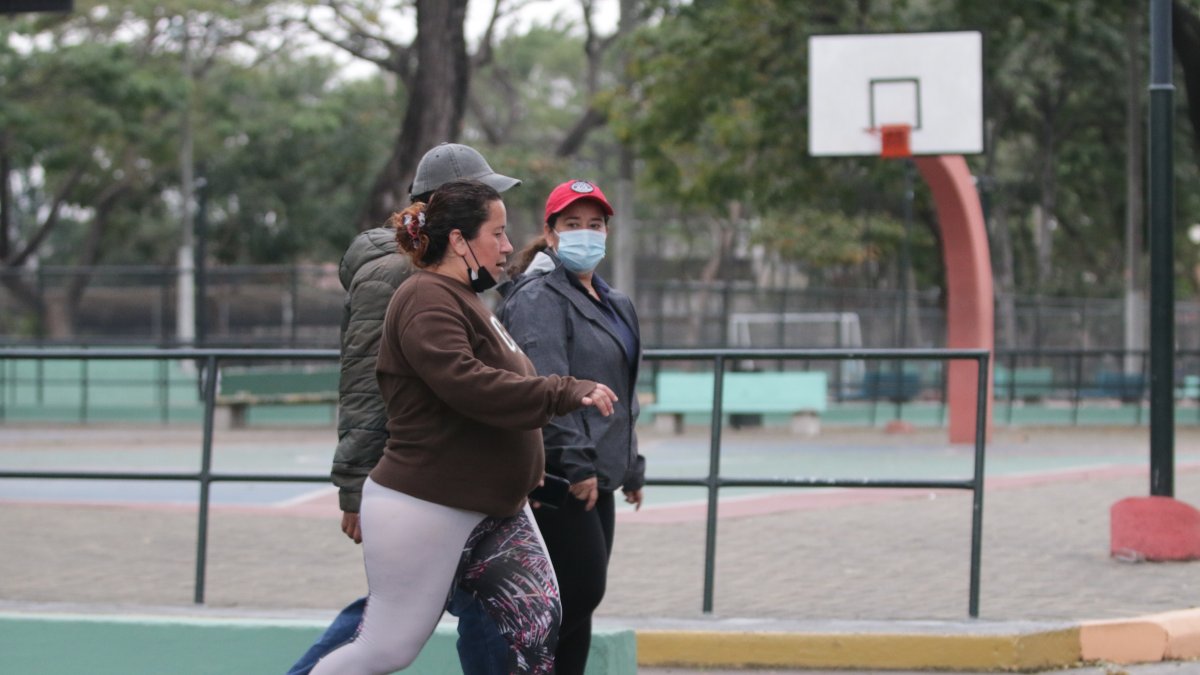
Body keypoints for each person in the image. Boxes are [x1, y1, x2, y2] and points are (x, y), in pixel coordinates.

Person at [310, 178, 618, 674]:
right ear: (458, 240)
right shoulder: (424, 299)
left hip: (493, 507)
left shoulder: (464, 296)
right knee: (385, 648)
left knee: (537, 625)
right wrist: (564, 391)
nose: (508, 246)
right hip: (428, 504)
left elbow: (498, 386)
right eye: (497, 233)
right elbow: (470, 386)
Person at [288, 143, 519, 675]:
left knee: (465, 605)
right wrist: (353, 484)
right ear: (446, 207)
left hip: (454, 476)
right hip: (422, 482)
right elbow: (368, 381)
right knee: (392, 624)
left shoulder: (450, 273)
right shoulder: (397, 275)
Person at [496, 179, 646, 675]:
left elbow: (621, 388)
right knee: (576, 591)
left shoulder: (614, 301)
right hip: (562, 474)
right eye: (573, 225)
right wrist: (575, 462)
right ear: (551, 233)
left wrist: (632, 465)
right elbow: (544, 384)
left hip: (602, 469)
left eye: (595, 225)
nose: (586, 234)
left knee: (579, 604)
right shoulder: (539, 296)